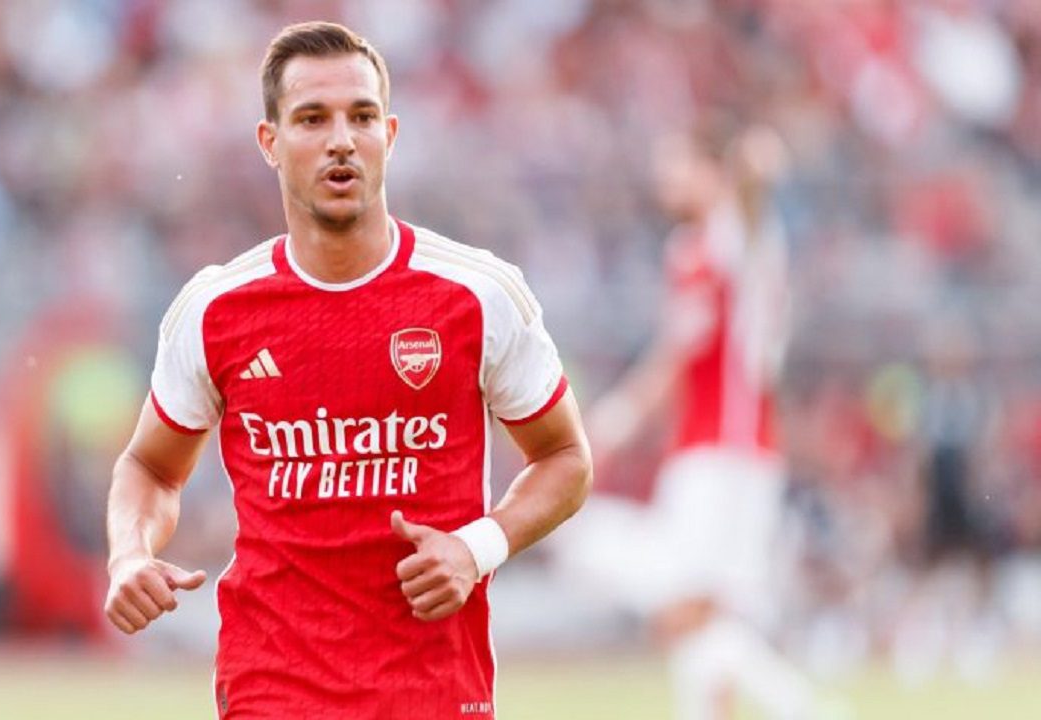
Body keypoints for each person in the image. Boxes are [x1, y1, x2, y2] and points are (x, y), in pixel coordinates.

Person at [103, 21, 592, 720]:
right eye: (312, 119)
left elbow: (566, 457)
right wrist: (129, 555)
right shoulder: (215, 309)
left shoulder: (477, 295)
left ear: (389, 135)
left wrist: (476, 547)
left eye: (361, 117)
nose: (341, 139)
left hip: (433, 688)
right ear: (270, 143)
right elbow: (151, 468)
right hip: (272, 688)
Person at [570, 124, 815, 720]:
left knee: (681, 606)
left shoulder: (725, 241)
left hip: (722, 454)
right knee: (708, 616)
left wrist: (615, 421)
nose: (665, 180)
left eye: (677, 165)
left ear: (712, 171)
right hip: (733, 450)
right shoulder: (709, 246)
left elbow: (678, 356)